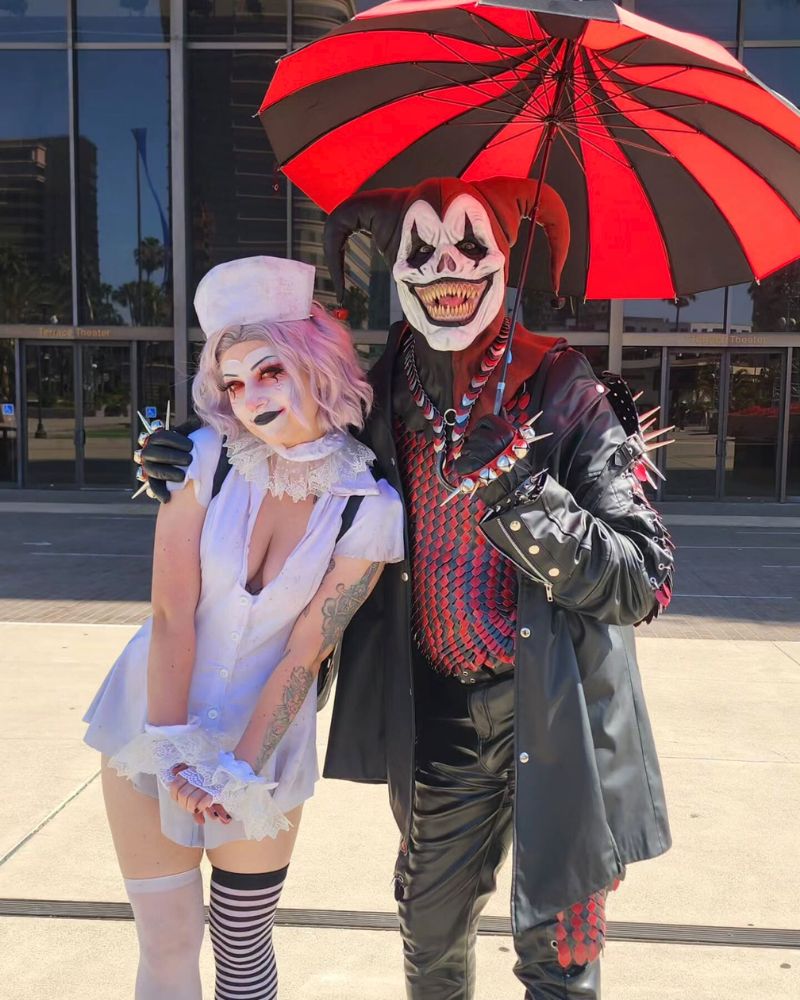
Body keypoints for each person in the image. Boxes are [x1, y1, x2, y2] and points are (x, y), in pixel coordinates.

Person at [139, 178, 674, 1000]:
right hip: (442, 718)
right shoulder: (384, 388)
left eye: (470, 243)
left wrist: (524, 495)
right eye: (422, 247)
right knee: (429, 942)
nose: (446, 267)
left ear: (504, 258)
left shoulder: (565, 388)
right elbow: (292, 431)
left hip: (557, 714)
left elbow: (641, 580)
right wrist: (187, 448)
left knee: (560, 960)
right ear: (395, 266)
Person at [84, 255, 404, 1000]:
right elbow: (171, 615)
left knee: (242, 941)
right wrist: (174, 750)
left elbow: (306, 649)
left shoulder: (369, 507)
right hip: (149, 718)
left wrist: (235, 768)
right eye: (233, 383)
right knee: (169, 940)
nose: (250, 398)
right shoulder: (204, 460)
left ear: (316, 363)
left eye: (269, 372)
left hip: (265, 742)